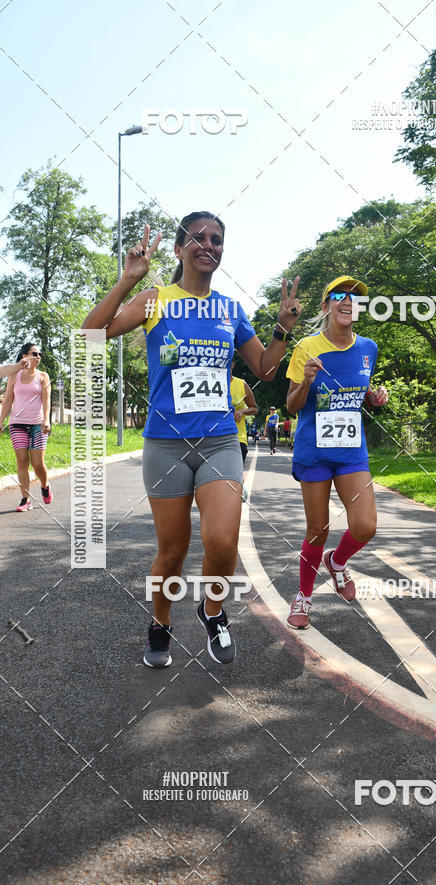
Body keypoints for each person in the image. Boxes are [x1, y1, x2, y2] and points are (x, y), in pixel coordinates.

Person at [82, 213, 301, 667]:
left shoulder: (230, 310)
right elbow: (90, 335)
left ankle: (213, 610)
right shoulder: (155, 300)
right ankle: (160, 622)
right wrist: (127, 280)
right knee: (172, 551)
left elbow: (265, 369)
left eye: (216, 239)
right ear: (179, 249)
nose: (208, 245)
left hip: (220, 440)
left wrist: (282, 329)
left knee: (223, 540)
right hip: (166, 445)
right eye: (198, 238)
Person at [285, 276, 388, 629]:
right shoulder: (306, 348)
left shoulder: (369, 348)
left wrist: (373, 397)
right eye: (339, 295)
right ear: (326, 305)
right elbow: (291, 405)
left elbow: (359, 393)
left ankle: (338, 562)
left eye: (355, 298)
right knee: (318, 529)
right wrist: (307, 381)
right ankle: (304, 596)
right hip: (314, 450)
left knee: (366, 525)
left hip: (350, 451)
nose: (348, 301)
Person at [0, 343, 53, 511]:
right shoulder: (14, 376)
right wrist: (1, 421)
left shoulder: (43, 376)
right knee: (22, 461)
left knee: (37, 464)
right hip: (17, 424)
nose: (38, 357)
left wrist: (46, 420)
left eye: (39, 354)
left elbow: (46, 401)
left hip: (37, 424)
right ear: (24, 356)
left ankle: (44, 485)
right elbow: (8, 400)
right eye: (34, 353)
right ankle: (25, 499)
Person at [230, 369, 258, 465]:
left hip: (238, 438)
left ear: (233, 364)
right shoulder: (209, 382)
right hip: (214, 438)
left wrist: (242, 411)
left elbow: (254, 408)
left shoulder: (241, 384)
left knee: (235, 472)